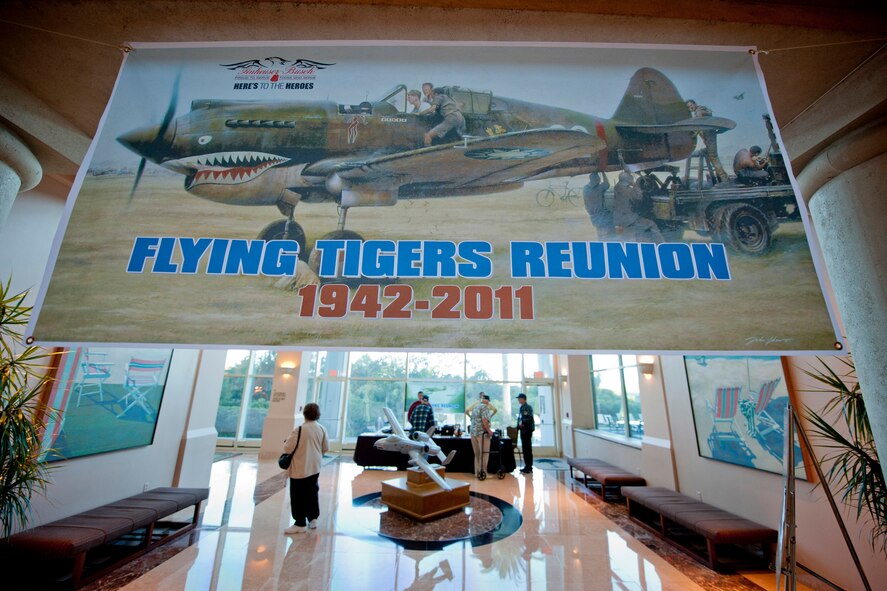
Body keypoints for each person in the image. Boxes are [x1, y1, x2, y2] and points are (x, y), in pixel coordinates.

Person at [282, 402, 329, 534]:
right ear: (318, 414)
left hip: (300, 468)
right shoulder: (321, 428)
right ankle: (313, 518)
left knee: (297, 495)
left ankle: (300, 523)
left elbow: (287, 448)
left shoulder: (300, 429)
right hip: (315, 466)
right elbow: (326, 448)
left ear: (305, 414)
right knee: (312, 492)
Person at [612, 171, 663, 243]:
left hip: (618, 218)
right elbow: (640, 197)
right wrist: (634, 184)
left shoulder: (617, 188)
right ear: (629, 180)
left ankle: (640, 240)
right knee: (651, 224)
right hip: (629, 219)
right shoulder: (629, 191)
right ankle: (661, 244)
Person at [686, 99, 728, 183]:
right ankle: (721, 178)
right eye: (688, 107)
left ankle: (724, 179)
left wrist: (694, 134)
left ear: (695, 104)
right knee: (711, 154)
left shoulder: (699, 111)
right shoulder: (702, 109)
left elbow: (699, 124)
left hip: (709, 135)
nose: (690, 108)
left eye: (691, 105)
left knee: (713, 157)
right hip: (709, 135)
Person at [467, 394, 494, 477]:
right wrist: (489, 431)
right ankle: (484, 472)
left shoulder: (476, 407)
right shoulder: (485, 407)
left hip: (473, 432)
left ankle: (477, 472)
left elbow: (471, 418)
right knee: (485, 453)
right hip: (482, 434)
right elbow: (484, 419)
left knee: (477, 453)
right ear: (487, 401)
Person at [582, 172, 613, 239]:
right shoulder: (600, 188)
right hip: (602, 215)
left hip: (593, 215)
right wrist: (603, 173)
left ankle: (601, 239)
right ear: (597, 180)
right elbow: (607, 183)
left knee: (600, 231)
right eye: (599, 179)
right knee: (606, 230)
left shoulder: (585, 188)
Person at [516, 393, 535, 474]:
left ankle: (529, 466)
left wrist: (523, 423)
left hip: (527, 430)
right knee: (525, 448)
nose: (518, 400)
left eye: (520, 398)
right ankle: (526, 465)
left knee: (527, 449)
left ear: (523, 399)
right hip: (523, 430)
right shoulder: (522, 407)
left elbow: (529, 419)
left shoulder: (527, 407)